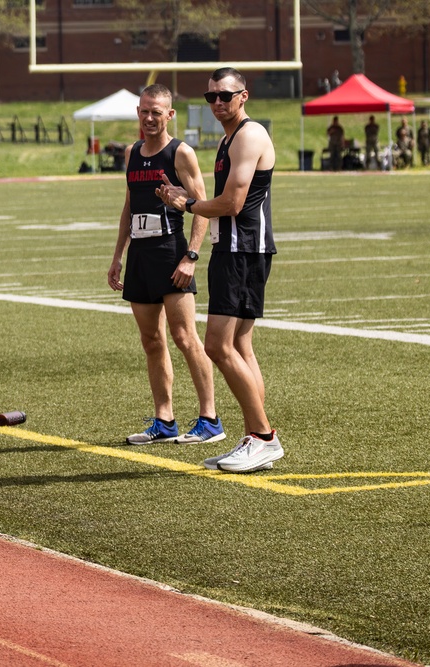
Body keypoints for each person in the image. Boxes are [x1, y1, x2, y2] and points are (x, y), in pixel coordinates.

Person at [156, 67, 281, 474]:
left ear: (244, 95)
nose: (217, 103)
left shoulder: (249, 134)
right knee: (241, 347)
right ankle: (255, 438)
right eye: (211, 97)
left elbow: (233, 204)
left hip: (242, 249)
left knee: (217, 345)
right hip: (235, 249)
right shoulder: (230, 138)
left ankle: (263, 438)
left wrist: (186, 204)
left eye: (225, 95)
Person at [107, 84, 225, 448]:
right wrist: (118, 255)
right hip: (140, 256)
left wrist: (191, 256)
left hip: (171, 251)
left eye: (156, 112)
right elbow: (129, 206)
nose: (149, 118)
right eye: (144, 111)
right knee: (151, 340)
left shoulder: (181, 152)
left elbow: (202, 206)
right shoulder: (132, 152)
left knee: (185, 337)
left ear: (169, 114)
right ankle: (165, 420)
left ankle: (210, 419)